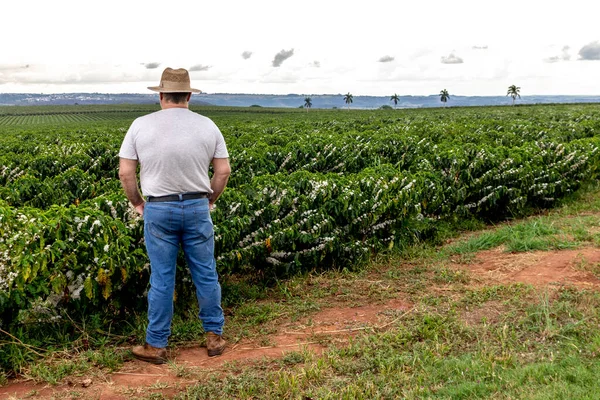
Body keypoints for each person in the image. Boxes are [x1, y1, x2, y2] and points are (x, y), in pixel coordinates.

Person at [118, 67, 231, 364]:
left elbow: (125, 173)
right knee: (205, 272)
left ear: (160, 95)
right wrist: (209, 199)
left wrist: (138, 203)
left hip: (158, 207)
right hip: (196, 206)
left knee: (162, 278)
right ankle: (214, 337)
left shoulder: (139, 125)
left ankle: (156, 345)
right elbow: (223, 172)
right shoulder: (208, 126)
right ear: (189, 95)